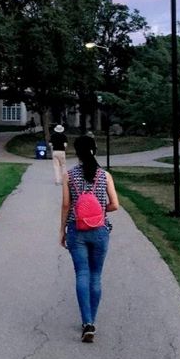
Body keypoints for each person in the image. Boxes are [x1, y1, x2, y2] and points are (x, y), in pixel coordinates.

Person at [60, 135, 119, 343]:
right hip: (100, 230)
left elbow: (66, 205)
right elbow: (115, 205)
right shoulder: (105, 176)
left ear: (77, 153)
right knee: (96, 275)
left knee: (82, 274)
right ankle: (91, 321)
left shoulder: (69, 176)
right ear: (94, 150)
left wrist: (62, 230)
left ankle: (87, 323)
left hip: (77, 230)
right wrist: (97, 212)